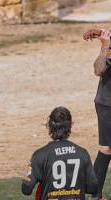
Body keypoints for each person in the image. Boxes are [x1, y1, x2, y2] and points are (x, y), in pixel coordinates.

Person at [21, 106, 98, 199]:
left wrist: (26, 176)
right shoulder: (83, 153)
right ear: (70, 125)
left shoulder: (39, 155)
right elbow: (93, 188)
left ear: (49, 126)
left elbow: (26, 189)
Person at [84, 28, 111, 200]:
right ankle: (95, 196)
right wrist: (104, 45)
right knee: (107, 148)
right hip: (107, 105)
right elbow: (98, 69)